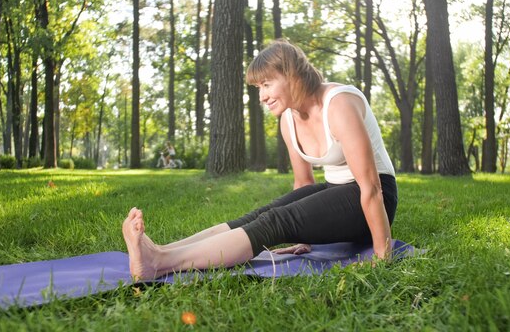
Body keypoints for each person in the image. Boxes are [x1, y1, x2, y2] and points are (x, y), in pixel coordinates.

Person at [123, 39, 397, 281]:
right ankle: (161, 250)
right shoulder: (289, 120)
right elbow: (303, 183)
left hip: (374, 199)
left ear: (292, 75)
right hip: (336, 193)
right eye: (258, 87)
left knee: (276, 222)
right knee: (259, 215)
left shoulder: (338, 104)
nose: (262, 96)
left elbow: (371, 187)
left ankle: (159, 264)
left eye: (267, 84)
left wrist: (382, 252)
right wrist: (306, 237)